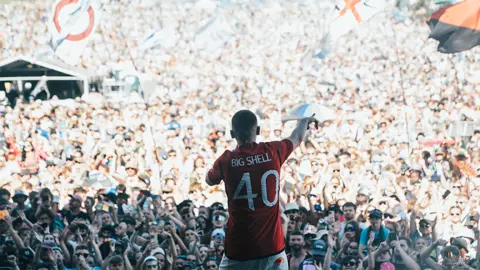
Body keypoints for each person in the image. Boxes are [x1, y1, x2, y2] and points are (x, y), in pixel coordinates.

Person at [206, 110, 316, 269]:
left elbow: (209, 180)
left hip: (239, 250)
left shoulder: (226, 160)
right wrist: (305, 121)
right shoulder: (273, 151)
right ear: (257, 131)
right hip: (272, 248)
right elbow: (297, 137)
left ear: (231, 133)